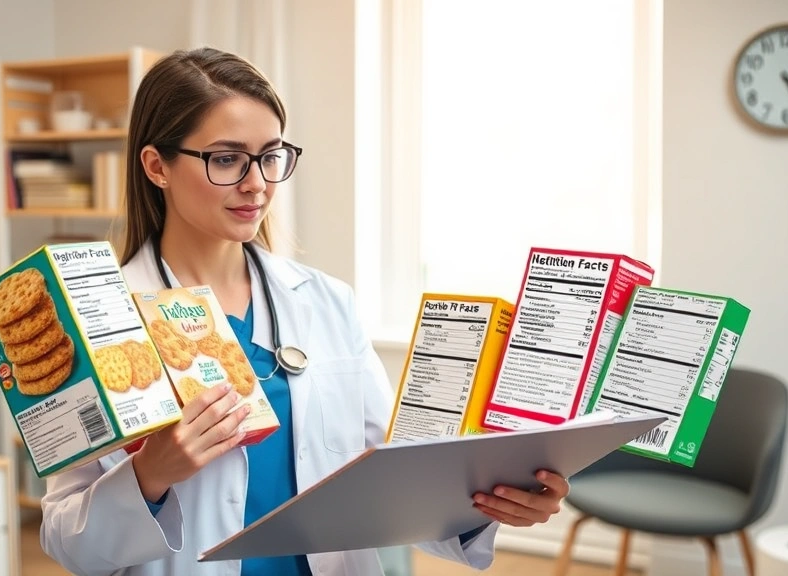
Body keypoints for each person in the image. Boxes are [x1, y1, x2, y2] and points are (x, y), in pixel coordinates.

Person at [39, 47, 570, 576]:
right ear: (157, 166)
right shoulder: (95, 325)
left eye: (270, 156)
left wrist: (493, 504)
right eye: (226, 159)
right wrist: (150, 475)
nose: (257, 183)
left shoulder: (326, 302)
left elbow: (389, 480)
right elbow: (68, 541)